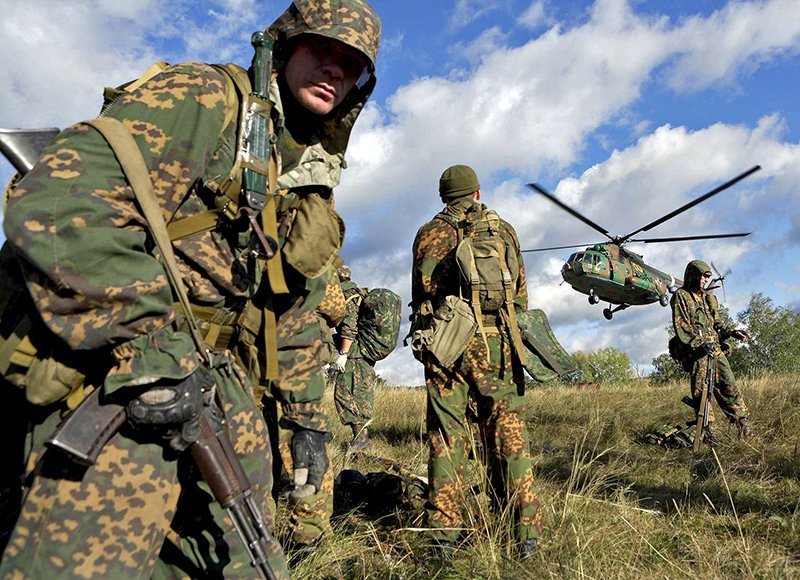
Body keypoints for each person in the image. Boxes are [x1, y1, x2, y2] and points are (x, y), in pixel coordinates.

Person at [0, 0, 381, 576]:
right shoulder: (205, 99)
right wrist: (154, 347)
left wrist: (306, 420)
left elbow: (291, 309)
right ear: (284, 46)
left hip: (220, 393)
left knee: (245, 565)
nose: (335, 69)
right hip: (122, 380)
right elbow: (62, 200)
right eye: (322, 48)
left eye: (352, 63)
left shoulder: (304, 174)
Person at [410, 164, 542, 559]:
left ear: (443, 197)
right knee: (508, 434)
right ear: (478, 193)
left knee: (447, 437)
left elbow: (421, 295)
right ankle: (524, 536)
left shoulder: (428, 233)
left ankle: (443, 538)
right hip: (496, 344)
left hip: (446, 346)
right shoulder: (504, 232)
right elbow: (520, 296)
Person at [670, 260, 752, 446]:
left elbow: (717, 325)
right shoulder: (681, 296)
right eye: (703, 277)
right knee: (702, 394)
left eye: (707, 278)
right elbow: (682, 327)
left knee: (729, 385)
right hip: (698, 353)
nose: (705, 280)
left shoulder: (708, 298)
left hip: (715, 350)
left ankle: (743, 426)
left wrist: (731, 332)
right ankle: (707, 431)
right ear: (693, 275)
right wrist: (700, 343)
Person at [331, 263, 378, 449]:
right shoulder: (358, 293)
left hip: (354, 354)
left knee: (344, 393)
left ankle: (360, 439)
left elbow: (349, 327)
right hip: (364, 352)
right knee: (361, 394)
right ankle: (362, 438)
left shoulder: (346, 295)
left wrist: (343, 354)